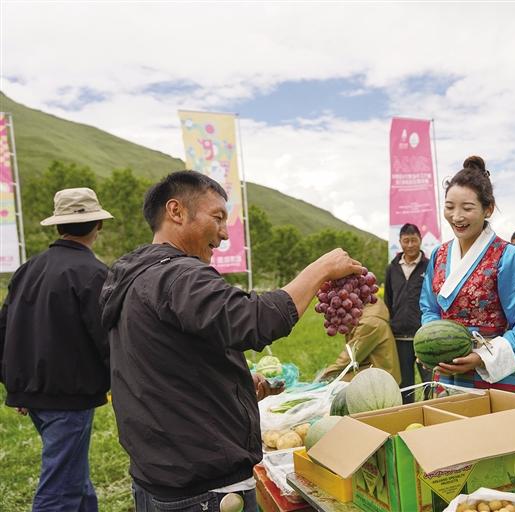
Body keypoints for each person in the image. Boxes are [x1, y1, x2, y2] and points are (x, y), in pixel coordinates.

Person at [99, 171, 362, 511]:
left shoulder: (139, 280)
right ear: (176, 211)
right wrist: (320, 269)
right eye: (218, 217)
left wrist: (230, 385)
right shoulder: (178, 276)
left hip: (159, 480)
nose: (224, 234)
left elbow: (164, 368)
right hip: (203, 492)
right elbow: (256, 321)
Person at [0, 187, 113, 511]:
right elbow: (106, 336)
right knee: (60, 489)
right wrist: (123, 380)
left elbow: (4, 329)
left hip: (34, 393)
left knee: (74, 477)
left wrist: (16, 385)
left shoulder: (28, 269)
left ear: (58, 225)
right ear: (99, 225)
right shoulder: (95, 273)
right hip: (69, 396)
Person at [419, 156, 515, 393]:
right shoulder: (439, 255)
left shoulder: (506, 256)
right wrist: (433, 344)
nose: (456, 217)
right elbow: (429, 308)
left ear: (488, 209)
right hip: (446, 372)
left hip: (493, 376)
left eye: (467, 208)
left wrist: (480, 357)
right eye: (449, 207)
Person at [384, 223, 431, 403]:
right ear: (400, 242)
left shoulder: (430, 266)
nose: (410, 245)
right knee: (405, 385)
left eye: (413, 240)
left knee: (430, 382)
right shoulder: (392, 268)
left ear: (420, 240)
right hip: (399, 336)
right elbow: (388, 299)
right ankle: (408, 414)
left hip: (424, 335)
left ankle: (432, 412)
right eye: (406, 241)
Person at [319, 300, 401, 384]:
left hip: (381, 380)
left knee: (335, 386)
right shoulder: (370, 309)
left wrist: (324, 377)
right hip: (375, 370)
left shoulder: (370, 323)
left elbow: (350, 358)